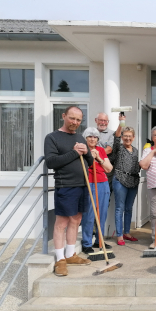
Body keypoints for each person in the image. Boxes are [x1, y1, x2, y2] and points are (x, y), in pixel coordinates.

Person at [44, 106, 93, 276]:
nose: (75, 123)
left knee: (76, 219)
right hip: (65, 185)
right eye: (72, 118)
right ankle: (60, 259)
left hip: (82, 185)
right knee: (62, 222)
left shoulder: (80, 137)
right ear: (64, 116)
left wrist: (86, 152)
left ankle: (71, 254)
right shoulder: (52, 137)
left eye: (78, 120)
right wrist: (74, 153)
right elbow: (51, 162)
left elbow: (91, 162)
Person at [80, 127, 113, 254]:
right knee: (89, 214)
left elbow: (109, 168)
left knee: (102, 214)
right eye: (90, 136)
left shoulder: (100, 150)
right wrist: (89, 156)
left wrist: (98, 158)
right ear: (85, 138)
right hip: (89, 183)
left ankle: (99, 241)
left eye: (95, 137)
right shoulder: (83, 150)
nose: (93, 139)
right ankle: (87, 243)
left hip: (103, 183)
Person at [111, 114, 141, 246]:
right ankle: (119, 235)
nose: (128, 138)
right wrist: (121, 123)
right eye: (125, 136)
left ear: (133, 138)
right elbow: (116, 137)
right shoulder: (119, 147)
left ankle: (127, 232)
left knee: (129, 208)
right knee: (120, 208)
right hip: (120, 179)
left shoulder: (135, 150)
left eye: (130, 136)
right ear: (123, 137)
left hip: (133, 181)